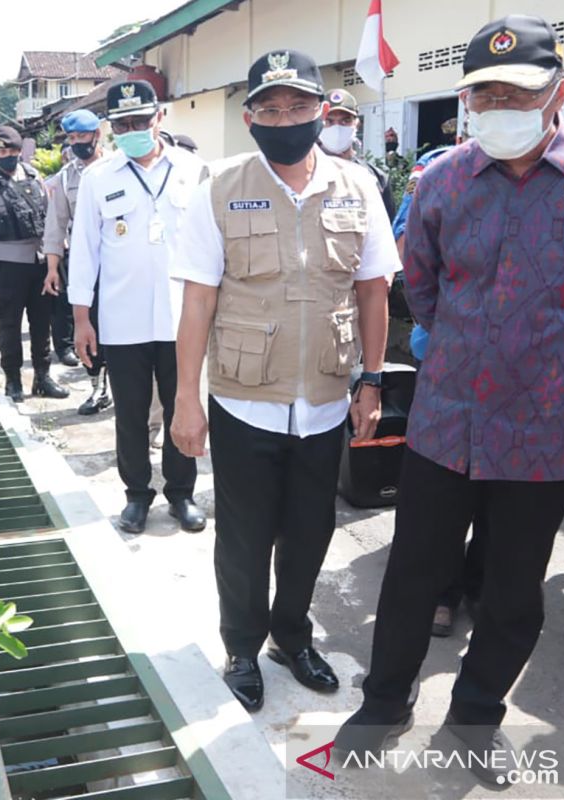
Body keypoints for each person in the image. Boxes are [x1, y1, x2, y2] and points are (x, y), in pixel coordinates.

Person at [336, 15, 564, 787]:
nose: (499, 105)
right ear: (466, 101)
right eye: (485, 94)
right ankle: (384, 701)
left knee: (514, 587)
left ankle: (476, 719)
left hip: (547, 427)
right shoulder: (443, 180)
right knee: (414, 570)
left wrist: (543, 360)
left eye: (519, 91)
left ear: (561, 93)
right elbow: (427, 289)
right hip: (449, 418)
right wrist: (479, 354)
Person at [171, 50, 398, 712]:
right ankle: (242, 645)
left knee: (310, 531)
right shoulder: (219, 186)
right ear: (249, 118)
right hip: (245, 400)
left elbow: (374, 292)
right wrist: (188, 399)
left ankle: (290, 636)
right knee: (242, 535)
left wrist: (373, 382)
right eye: (269, 108)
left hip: (326, 400)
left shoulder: (357, 187)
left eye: (298, 106)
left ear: (322, 112)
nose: (285, 119)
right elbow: (197, 302)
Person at [69, 79, 207, 535]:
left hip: (181, 317)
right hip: (122, 318)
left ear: (159, 118)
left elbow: (209, 247)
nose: (132, 131)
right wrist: (82, 320)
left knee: (180, 405)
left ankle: (181, 493)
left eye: (140, 122)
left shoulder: (193, 169)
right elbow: (85, 252)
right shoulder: (97, 178)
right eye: (122, 124)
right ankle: (136, 495)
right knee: (129, 413)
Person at [391, 137, 487, 638]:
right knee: (446, 487)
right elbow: (410, 262)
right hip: (445, 359)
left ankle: (482, 585)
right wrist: (449, 332)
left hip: (526, 379)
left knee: (500, 489)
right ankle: (444, 591)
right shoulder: (438, 172)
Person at [0, 125, 69, 402]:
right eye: (2, 151)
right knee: (9, 325)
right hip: (7, 265)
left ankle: (42, 376)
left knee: (42, 323)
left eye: (13, 150)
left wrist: (53, 262)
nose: (8, 155)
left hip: (39, 263)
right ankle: (12, 379)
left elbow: (50, 221)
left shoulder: (35, 177)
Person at [43, 109, 111, 415]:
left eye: (82, 136)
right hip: (85, 265)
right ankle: (98, 388)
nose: (77, 143)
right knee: (89, 328)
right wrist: (52, 268)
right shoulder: (65, 178)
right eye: (71, 137)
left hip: (119, 263)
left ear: (97, 135)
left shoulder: (118, 168)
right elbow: (55, 226)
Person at [318, 89, 396, 220]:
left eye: (345, 121)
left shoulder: (375, 178)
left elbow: (388, 232)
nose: (337, 128)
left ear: (357, 124)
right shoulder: (303, 173)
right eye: (329, 121)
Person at [44, 139, 80, 370]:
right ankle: (64, 346)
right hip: (68, 249)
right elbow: (53, 223)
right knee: (64, 303)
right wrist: (52, 263)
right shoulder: (58, 181)